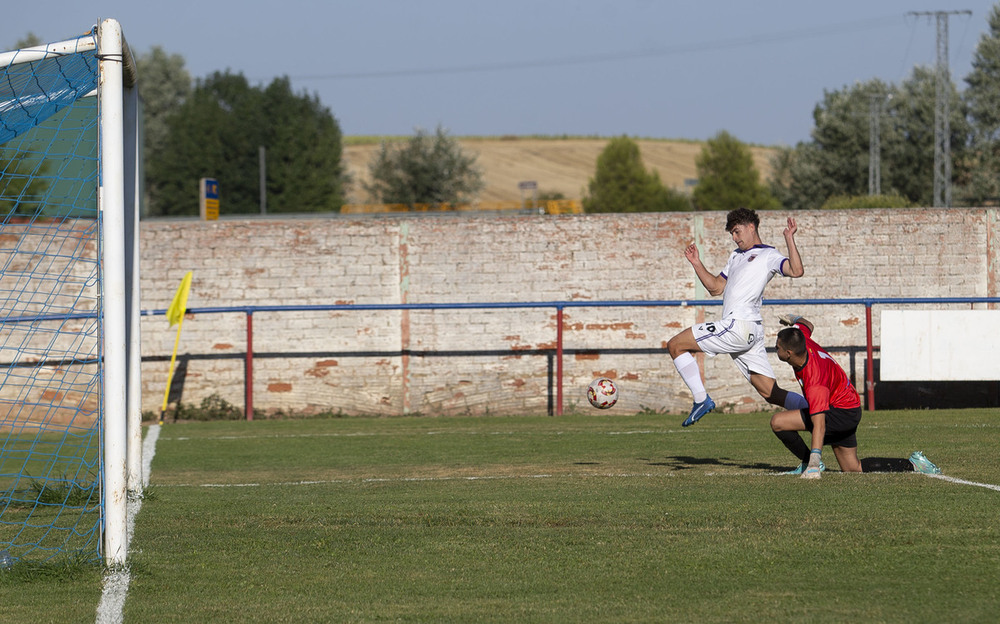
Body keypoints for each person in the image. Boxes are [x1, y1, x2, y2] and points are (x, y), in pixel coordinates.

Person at [667, 207, 808, 427]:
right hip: (749, 332)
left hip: (738, 326)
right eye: (732, 234)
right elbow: (715, 288)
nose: (734, 238)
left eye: (737, 231)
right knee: (770, 393)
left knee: (676, 345)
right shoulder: (736, 256)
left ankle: (701, 399)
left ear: (751, 227)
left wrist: (789, 238)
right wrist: (696, 263)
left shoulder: (768, 255)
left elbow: (796, 270)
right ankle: (815, 409)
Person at [772, 315, 942, 478]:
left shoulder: (815, 381)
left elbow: (820, 425)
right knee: (853, 468)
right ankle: (914, 465)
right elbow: (807, 324)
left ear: (788, 353)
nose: (775, 348)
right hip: (850, 407)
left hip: (840, 413)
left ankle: (809, 462)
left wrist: (814, 463)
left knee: (778, 422)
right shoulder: (803, 340)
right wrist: (793, 318)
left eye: (777, 347)